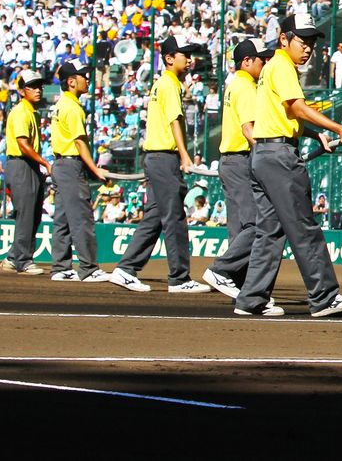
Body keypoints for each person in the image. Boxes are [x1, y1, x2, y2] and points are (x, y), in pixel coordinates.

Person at [234, 11, 342, 318]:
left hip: (263, 155)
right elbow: (297, 107)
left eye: (311, 43)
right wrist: (338, 129)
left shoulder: (271, 68)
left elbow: (283, 114)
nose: (308, 48)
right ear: (284, 39)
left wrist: (315, 135)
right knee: (304, 227)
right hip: (280, 157)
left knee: (269, 231)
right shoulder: (282, 66)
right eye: (302, 42)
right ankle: (324, 296)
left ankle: (251, 298)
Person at [110, 36, 213, 294]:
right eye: (184, 55)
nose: (189, 59)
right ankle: (179, 278)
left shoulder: (163, 83)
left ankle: (126, 268)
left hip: (154, 158)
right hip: (164, 158)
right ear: (169, 58)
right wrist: (184, 155)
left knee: (155, 216)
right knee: (175, 217)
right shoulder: (169, 84)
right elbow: (175, 120)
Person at [201, 37, 275, 299]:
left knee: (240, 228)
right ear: (246, 61)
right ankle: (221, 270)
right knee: (257, 224)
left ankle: (236, 282)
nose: (265, 63)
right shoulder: (246, 86)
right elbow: (248, 129)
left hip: (229, 161)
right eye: (261, 59)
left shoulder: (235, 84)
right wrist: (266, 154)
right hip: (241, 160)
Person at [48, 60, 111, 283]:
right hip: (70, 165)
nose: (88, 79)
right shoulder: (72, 107)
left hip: (59, 163)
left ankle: (61, 267)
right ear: (71, 82)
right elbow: (79, 142)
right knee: (82, 217)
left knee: (63, 219)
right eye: (83, 76)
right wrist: (95, 169)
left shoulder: (61, 103)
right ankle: (89, 268)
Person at [2, 69, 52, 274]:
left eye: (39, 86)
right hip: (20, 163)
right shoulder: (21, 112)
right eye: (32, 86)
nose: (38, 90)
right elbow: (23, 145)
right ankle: (23, 260)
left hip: (28, 165)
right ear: (22, 90)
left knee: (33, 213)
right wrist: (45, 163)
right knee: (27, 213)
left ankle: (14, 257)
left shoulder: (32, 112)